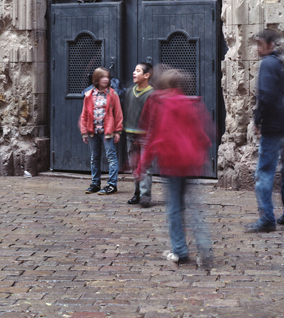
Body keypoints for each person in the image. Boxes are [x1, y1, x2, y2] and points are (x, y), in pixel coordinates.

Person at [137, 68, 213, 268]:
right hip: (190, 162)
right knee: (195, 208)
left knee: (174, 208)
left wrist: (143, 165)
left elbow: (154, 136)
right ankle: (205, 248)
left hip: (171, 162)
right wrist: (202, 154)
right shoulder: (189, 102)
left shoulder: (161, 104)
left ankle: (179, 251)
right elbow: (201, 132)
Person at [247, 29, 284, 232]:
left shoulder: (268, 63)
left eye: (261, 44)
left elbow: (266, 95)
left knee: (264, 172)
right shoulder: (278, 63)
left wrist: (258, 119)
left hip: (272, 125)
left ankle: (267, 218)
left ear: (271, 45)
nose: (258, 49)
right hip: (282, 123)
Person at [79, 67, 122, 194]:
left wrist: (118, 131)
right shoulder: (89, 95)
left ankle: (112, 184)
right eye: (103, 77)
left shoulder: (112, 94)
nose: (106, 79)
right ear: (96, 79)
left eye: (107, 77)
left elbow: (118, 113)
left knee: (111, 157)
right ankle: (95, 183)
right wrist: (84, 131)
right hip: (93, 131)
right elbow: (84, 114)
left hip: (107, 131)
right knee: (95, 157)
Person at [122, 61, 155, 206]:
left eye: (138, 71)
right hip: (130, 133)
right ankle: (136, 193)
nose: (134, 73)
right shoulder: (130, 90)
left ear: (146, 75)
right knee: (134, 165)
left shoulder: (152, 94)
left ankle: (145, 195)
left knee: (145, 166)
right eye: (134, 70)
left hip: (146, 135)